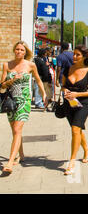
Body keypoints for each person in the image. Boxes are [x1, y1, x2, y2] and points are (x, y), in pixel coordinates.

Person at [1, 41, 47, 174]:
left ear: (25, 52)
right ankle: (21, 154)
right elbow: (2, 85)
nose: (19, 52)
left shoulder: (30, 65)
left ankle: (10, 162)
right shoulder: (7, 65)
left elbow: (38, 80)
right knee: (15, 131)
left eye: (22, 50)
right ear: (14, 50)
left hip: (24, 101)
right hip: (10, 101)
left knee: (17, 129)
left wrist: (43, 94)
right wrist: (9, 81)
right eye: (17, 49)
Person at [61, 45, 88, 175]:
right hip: (69, 103)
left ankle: (72, 161)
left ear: (84, 56)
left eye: (77, 55)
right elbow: (62, 86)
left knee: (74, 129)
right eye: (74, 54)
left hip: (83, 103)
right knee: (77, 129)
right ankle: (86, 149)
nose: (74, 57)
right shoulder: (67, 69)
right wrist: (65, 90)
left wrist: (76, 94)